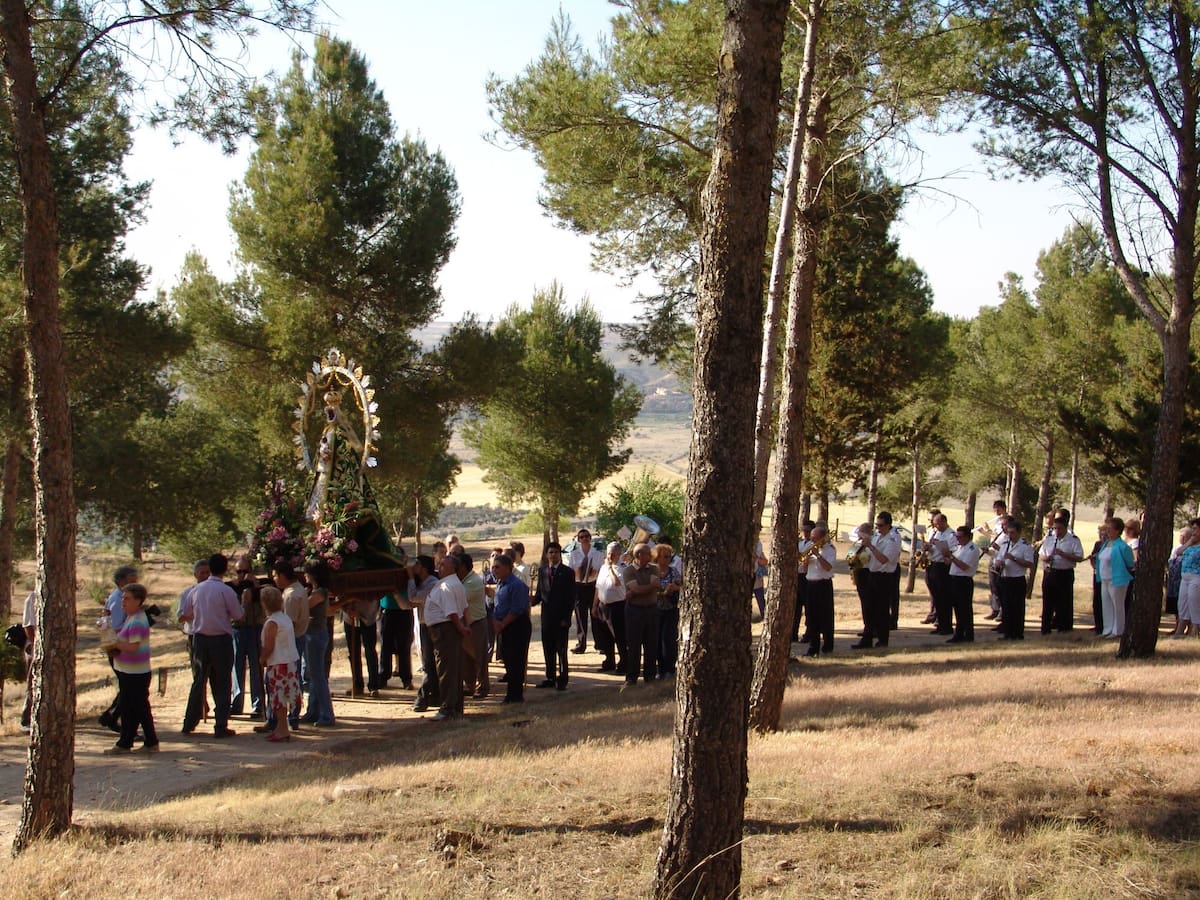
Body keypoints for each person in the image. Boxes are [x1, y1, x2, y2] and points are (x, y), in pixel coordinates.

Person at [179, 553, 242, 737]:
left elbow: (186, 612)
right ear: (224, 570)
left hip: (199, 638)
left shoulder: (196, 590)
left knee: (199, 680)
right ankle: (220, 725)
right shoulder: (226, 591)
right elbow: (238, 615)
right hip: (221, 639)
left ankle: (189, 722)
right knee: (222, 682)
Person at [104, 582, 159, 754]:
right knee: (130, 708)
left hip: (136, 673)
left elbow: (133, 647)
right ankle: (127, 742)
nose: (123, 602)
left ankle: (147, 741)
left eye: (127, 599)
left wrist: (114, 643)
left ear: (138, 601)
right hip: (129, 671)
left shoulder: (137, 621)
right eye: (123, 598)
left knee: (138, 708)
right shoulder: (132, 618)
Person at [424, 554, 470, 720]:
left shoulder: (448, 586)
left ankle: (447, 708)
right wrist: (466, 626)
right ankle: (456, 706)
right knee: (453, 667)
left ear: (452, 568)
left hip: (445, 630)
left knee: (446, 669)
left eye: (443, 565)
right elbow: (465, 608)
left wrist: (461, 627)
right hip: (450, 629)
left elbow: (452, 612)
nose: (439, 567)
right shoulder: (455, 584)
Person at [98, 565, 139, 732]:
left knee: (128, 686)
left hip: (121, 647)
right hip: (119, 648)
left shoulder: (120, 597)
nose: (135, 585)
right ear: (122, 581)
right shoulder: (118, 599)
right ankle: (112, 717)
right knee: (129, 686)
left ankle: (111, 716)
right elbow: (115, 627)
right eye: (131, 582)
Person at [853, 512, 901, 649]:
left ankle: (883, 640)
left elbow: (884, 559)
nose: (878, 528)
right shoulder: (877, 537)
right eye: (877, 525)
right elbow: (868, 556)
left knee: (882, 610)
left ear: (888, 525)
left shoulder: (893, 539)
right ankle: (866, 639)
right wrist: (857, 557)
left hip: (885, 576)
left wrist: (871, 546)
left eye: (880, 525)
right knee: (869, 608)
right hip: (872, 574)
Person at [259, 586, 300, 743]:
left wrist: (262, 658)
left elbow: (269, 645)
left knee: (279, 696)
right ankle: (281, 727)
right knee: (284, 695)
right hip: (289, 661)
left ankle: (282, 728)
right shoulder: (285, 618)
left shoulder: (272, 622)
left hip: (278, 664)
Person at [535, 542, 575, 691]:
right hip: (547, 618)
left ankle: (563, 678)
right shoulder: (542, 571)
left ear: (560, 554)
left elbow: (571, 598)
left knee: (561, 649)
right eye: (550, 552)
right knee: (548, 648)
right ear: (547, 555)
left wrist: (566, 618)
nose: (553, 555)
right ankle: (550, 677)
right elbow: (540, 593)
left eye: (556, 552)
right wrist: (531, 600)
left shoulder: (568, 572)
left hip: (561, 618)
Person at [491, 553, 531, 703]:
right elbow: (497, 605)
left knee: (516, 661)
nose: (494, 570)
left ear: (507, 568)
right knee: (507, 659)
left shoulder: (517, 585)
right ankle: (510, 693)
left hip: (517, 626)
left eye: (497, 567)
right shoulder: (500, 584)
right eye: (493, 567)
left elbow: (517, 609)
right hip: (504, 627)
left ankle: (516, 694)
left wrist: (502, 624)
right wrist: (495, 621)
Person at [273, 561, 309, 728]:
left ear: (282, 575)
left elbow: (289, 623)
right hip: (296, 638)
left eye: (274, 575)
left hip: (292, 640)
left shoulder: (291, 595)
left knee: (291, 679)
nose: (274, 579)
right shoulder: (296, 589)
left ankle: (292, 715)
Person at [178, 559, 211, 733]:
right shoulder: (188, 593)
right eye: (202, 573)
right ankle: (199, 707)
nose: (205, 576)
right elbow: (180, 616)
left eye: (207, 572)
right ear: (195, 575)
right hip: (195, 636)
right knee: (198, 676)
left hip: (213, 636)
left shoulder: (215, 591)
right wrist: (194, 613)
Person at [229, 557, 265, 719]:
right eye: (239, 571)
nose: (242, 575)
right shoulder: (230, 588)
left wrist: (255, 585)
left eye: (246, 571)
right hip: (237, 629)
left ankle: (258, 705)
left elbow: (267, 602)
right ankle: (236, 703)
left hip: (254, 629)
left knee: (256, 668)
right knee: (237, 667)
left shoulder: (258, 586)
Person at [622, 542, 660, 687]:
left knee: (651, 643)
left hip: (651, 609)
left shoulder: (654, 569)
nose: (651, 556)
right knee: (634, 644)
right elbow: (637, 589)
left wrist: (637, 590)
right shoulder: (629, 571)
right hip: (634, 610)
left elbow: (653, 586)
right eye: (648, 554)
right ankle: (632, 677)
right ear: (639, 555)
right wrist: (648, 587)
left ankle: (649, 676)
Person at [1039, 515, 1084, 633]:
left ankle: (1064, 627)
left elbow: (1079, 557)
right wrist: (1046, 558)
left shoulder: (1073, 540)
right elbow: (1041, 554)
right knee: (1048, 601)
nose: (1057, 531)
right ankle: (1045, 627)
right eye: (1055, 528)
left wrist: (1063, 554)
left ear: (1065, 528)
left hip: (1065, 573)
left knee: (1064, 601)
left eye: (1059, 528)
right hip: (1050, 571)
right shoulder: (1049, 538)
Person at [409, 555, 441, 713]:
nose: (413, 568)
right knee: (429, 663)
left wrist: (408, 578)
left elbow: (413, 598)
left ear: (424, 568)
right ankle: (436, 695)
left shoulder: (432, 584)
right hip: (424, 625)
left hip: (431, 626)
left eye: (416, 565)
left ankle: (422, 698)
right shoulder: (422, 583)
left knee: (428, 664)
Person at [994, 520, 1036, 640]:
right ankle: (1007, 632)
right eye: (1008, 533)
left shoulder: (1025, 546)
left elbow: (1029, 564)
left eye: (1012, 533)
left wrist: (1014, 559)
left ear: (1018, 532)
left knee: (1017, 608)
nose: (1010, 535)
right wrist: (999, 562)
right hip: (1005, 578)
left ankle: (1017, 633)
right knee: (1006, 607)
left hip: (1017, 580)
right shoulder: (1005, 544)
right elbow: (999, 557)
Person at [456, 552, 490, 699]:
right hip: (467, 625)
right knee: (466, 658)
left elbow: (459, 598)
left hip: (476, 624)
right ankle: (469, 685)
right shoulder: (463, 580)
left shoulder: (473, 582)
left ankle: (482, 687)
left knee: (479, 657)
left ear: (463, 566)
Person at [1096, 517, 1136, 638]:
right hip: (1105, 579)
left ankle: (1118, 630)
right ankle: (1107, 629)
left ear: (1118, 531)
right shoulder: (1106, 544)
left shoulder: (1122, 546)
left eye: (1110, 529)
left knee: (1117, 605)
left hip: (1117, 579)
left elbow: (1130, 563)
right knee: (1106, 604)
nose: (1107, 531)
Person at [379, 558, 414, 690]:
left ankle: (406, 679)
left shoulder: (407, 574)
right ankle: (383, 677)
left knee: (404, 646)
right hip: (387, 611)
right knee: (385, 645)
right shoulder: (385, 573)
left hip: (404, 611)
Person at [593, 541, 627, 673]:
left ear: (619, 554)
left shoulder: (623, 568)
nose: (610, 557)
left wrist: (611, 568)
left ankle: (624, 663)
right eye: (608, 554)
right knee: (605, 636)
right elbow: (598, 587)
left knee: (619, 636)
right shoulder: (603, 567)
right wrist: (594, 606)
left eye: (613, 554)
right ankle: (609, 661)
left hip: (617, 606)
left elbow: (617, 583)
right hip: (603, 606)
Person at [803, 525, 836, 657]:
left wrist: (817, 555)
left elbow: (828, 567)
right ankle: (813, 647)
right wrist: (806, 560)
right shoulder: (809, 547)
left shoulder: (829, 549)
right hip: (810, 584)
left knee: (826, 617)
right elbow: (805, 569)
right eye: (811, 538)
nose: (812, 541)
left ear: (822, 538)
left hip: (823, 584)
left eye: (815, 538)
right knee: (811, 617)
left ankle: (828, 646)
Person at [569, 529, 604, 653]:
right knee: (580, 616)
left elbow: (600, 569)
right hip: (579, 586)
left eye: (586, 536)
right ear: (578, 539)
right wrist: (576, 573)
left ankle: (600, 644)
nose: (584, 538)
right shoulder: (574, 554)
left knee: (595, 615)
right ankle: (581, 644)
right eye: (582, 537)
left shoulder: (598, 553)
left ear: (590, 538)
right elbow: (570, 571)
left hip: (593, 585)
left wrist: (595, 572)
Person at [947, 526, 981, 643]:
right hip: (954, 579)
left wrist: (951, 557)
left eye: (960, 537)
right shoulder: (959, 547)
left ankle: (968, 634)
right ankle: (959, 633)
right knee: (957, 608)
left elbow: (965, 566)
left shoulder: (972, 548)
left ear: (967, 537)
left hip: (964, 581)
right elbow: (953, 562)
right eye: (957, 536)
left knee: (965, 609)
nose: (958, 539)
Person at [924, 512, 955, 636]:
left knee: (944, 597)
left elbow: (952, 551)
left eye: (937, 524)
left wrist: (941, 548)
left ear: (943, 522)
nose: (935, 526)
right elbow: (934, 549)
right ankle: (940, 623)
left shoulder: (951, 535)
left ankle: (947, 625)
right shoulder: (936, 532)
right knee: (936, 597)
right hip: (933, 563)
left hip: (943, 566)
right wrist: (929, 547)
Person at [654, 543, 681, 677]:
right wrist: (661, 592)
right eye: (664, 556)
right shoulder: (652, 571)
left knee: (668, 638)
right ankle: (661, 669)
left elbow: (681, 585)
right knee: (657, 639)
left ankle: (670, 667)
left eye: (669, 557)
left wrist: (674, 588)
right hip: (655, 609)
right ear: (657, 557)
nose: (667, 559)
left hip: (670, 609)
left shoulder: (673, 571)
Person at [793, 520, 816, 643]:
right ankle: (793, 633)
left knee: (809, 606)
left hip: (808, 576)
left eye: (808, 531)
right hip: (798, 575)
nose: (805, 533)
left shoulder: (815, 545)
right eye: (804, 531)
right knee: (796, 606)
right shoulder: (800, 543)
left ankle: (809, 633)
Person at [1176, 520, 1200, 638]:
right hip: (1184, 577)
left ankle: (1194, 631)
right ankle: (1180, 630)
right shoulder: (1190, 544)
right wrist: (1190, 541)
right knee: (1183, 602)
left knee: (1194, 602)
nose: (1193, 531)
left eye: (1196, 529)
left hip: (1196, 577)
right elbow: (1179, 552)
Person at [19, 589, 35, 732]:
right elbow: (27, 625)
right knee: (33, 682)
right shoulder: (33, 597)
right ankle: (27, 720)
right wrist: (36, 645)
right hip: (35, 646)